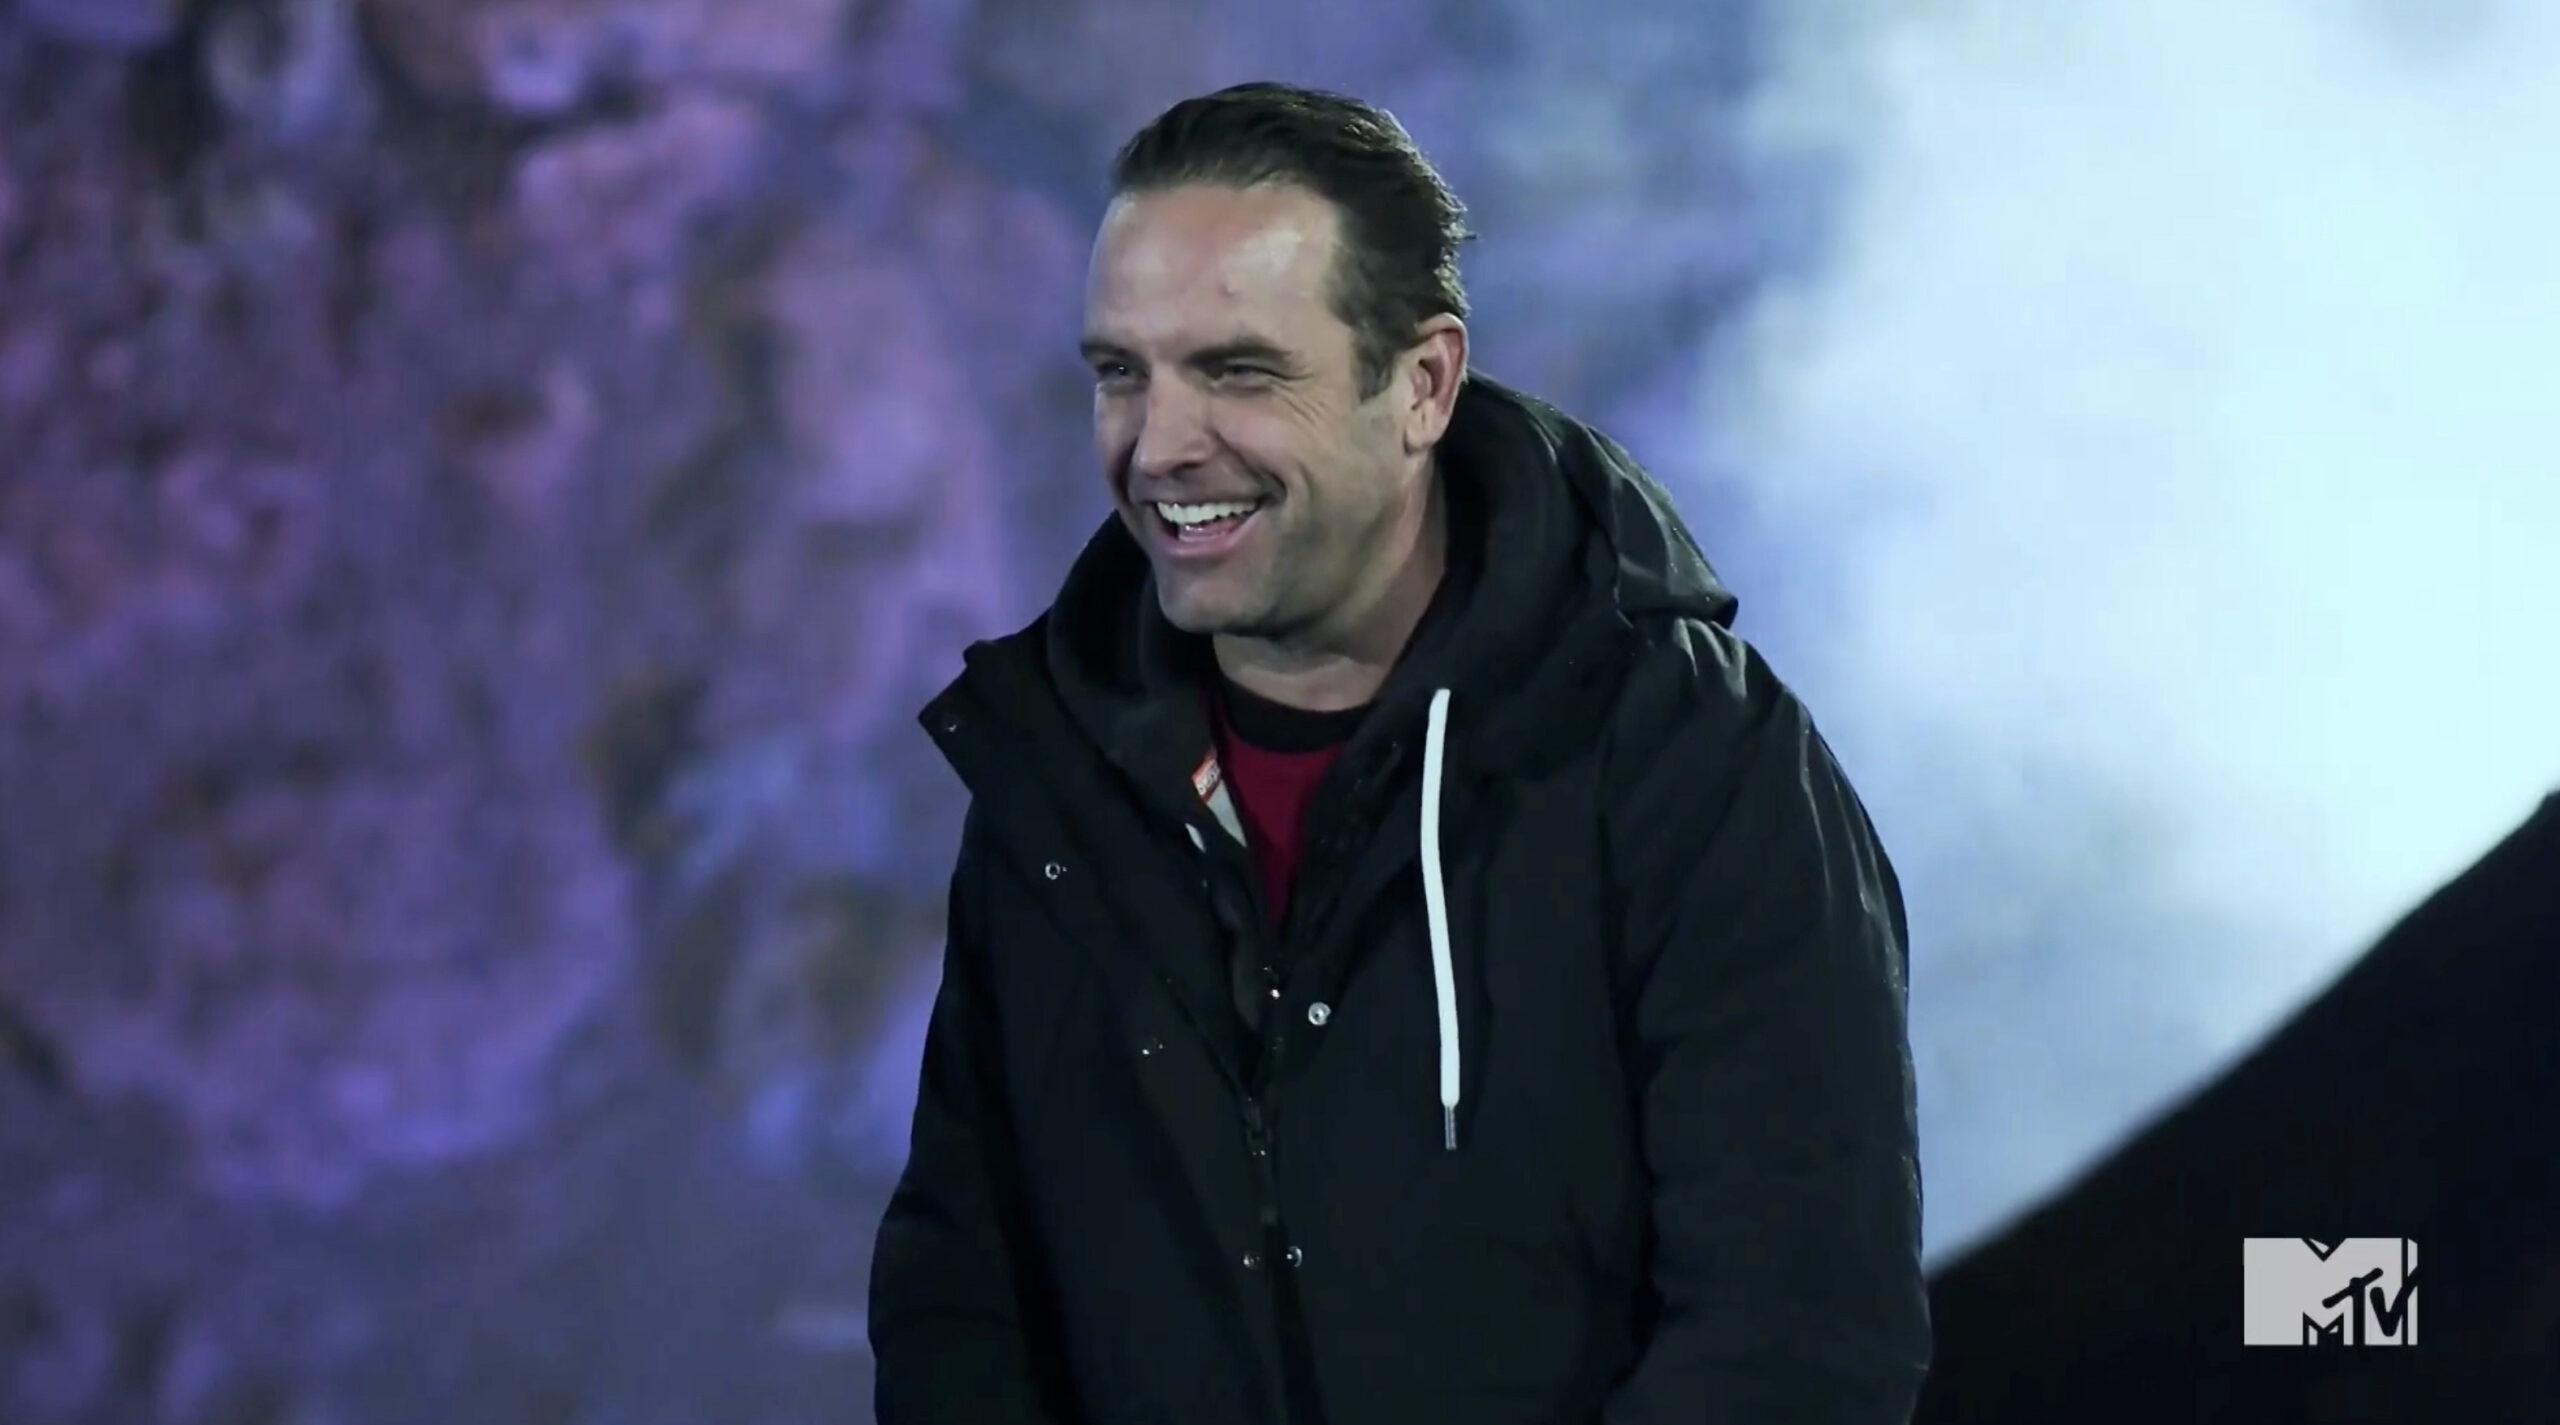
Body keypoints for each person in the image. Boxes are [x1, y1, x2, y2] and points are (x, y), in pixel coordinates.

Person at [870, 81, 1930, 1424]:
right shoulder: (1055, 781)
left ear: (1423, 383)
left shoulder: (1688, 760)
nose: (1160, 445)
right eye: (1121, 373)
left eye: (1238, 371)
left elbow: (1797, 1336)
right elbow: (961, 1302)